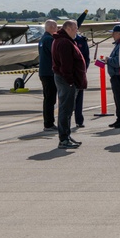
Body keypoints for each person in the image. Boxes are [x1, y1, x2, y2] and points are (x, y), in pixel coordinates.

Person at [51, 20, 86, 149]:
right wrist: (71, 81)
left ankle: (66, 135)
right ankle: (64, 139)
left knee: (67, 109)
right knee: (65, 109)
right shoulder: (64, 42)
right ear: (69, 28)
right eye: (75, 28)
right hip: (66, 81)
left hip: (65, 80)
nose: (77, 30)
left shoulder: (63, 40)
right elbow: (66, 65)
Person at [105, 25, 120, 129]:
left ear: (119, 34)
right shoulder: (119, 44)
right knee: (118, 99)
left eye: (114, 33)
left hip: (118, 76)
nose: (112, 35)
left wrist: (108, 60)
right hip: (116, 76)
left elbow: (118, 61)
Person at [38, 19, 58, 131]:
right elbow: (55, 53)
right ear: (52, 27)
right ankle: (49, 123)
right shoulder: (49, 39)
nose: (57, 29)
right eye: (55, 27)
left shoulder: (42, 39)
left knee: (48, 99)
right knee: (50, 99)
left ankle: (48, 122)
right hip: (49, 73)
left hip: (43, 72)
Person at [73, 28, 91, 128]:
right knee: (67, 99)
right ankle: (65, 122)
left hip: (80, 74)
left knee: (79, 97)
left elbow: (86, 58)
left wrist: (83, 71)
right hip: (69, 74)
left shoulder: (82, 41)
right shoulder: (65, 40)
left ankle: (79, 120)